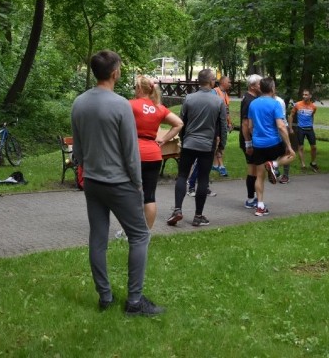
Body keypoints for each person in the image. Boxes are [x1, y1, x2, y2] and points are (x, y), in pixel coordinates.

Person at [71, 50, 163, 316]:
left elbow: (77, 151)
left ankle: (105, 297)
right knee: (140, 236)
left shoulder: (79, 103)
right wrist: (137, 184)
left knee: (98, 238)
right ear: (115, 73)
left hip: (92, 181)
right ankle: (134, 302)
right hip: (120, 182)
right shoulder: (121, 104)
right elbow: (130, 152)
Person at [166, 68, 227, 227]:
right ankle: (198, 215)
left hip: (189, 143)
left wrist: (182, 138)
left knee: (182, 176)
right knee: (203, 179)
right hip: (207, 145)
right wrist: (221, 145)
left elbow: (181, 121)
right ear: (210, 81)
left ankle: (177, 210)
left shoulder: (189, 98)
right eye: (214, 79)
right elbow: (222, 126)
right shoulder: (218, 101)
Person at [129, 76, 183, 230]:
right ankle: (147, 232)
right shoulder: (159, 108)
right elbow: (179, 123)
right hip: (154, 154)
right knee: (149, 196)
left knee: (132, 194)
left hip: (135, 154)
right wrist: (163, 139)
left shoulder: (131, 105)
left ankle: (131, 231)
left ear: (139, 88)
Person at [244, 77, 296, 216]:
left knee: (259, 176)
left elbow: (250, 126)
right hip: (273, 143)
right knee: (291, 155)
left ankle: (260, 206)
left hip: (258, 144)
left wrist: (254, 139)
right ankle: (274, 164)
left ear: (261, 88)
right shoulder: (275, 104)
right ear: (272, 88)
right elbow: (280, 126)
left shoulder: (253, 104)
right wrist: (289, 145)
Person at [240, 74, 263, 209]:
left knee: (255, 168)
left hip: (253, 139)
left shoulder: (254, 98)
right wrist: (248, 143)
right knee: (252, 168)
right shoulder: (249, 100)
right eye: (260, 84)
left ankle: (253, 197)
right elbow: (244, 123)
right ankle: (250, 199)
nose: (261, 86)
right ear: (253, 86)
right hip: (248, 140)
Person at [290, 89, 319, 174]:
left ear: (310, 96)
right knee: (301, 147)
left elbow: (312, 116)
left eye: (306, 95)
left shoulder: (313, 107)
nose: (304, 96)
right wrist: (290, 127)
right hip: (300, 128)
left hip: (309, 128)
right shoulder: (297, 105)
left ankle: (313, 163)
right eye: (303, 94)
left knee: (314, 147)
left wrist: (311, 125)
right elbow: (291, 116)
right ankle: (303, 164)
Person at [212, 76, 232, 176]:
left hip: (223, 123)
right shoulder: (214, 92)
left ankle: (216, 165)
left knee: (221, 143)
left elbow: (227, 110)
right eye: (229, 82)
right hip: (216, 123)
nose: (230, 84)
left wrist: (229, 123)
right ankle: (221, 166)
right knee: (219, 143)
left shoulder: (225, 94)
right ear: (223, 82)